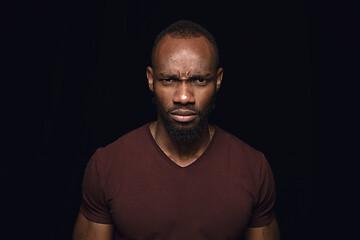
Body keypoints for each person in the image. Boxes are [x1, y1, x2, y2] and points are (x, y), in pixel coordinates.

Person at [73, 20, 280, 240]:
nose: (183, 97)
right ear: (151, 80)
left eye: (199, 80)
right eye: (169, 80)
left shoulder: (253, 168)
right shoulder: (107, 165)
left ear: (218, 80)